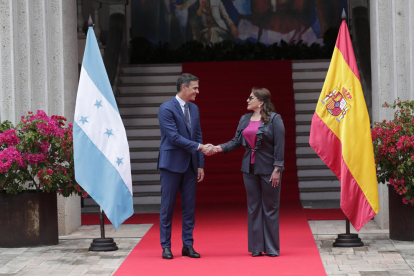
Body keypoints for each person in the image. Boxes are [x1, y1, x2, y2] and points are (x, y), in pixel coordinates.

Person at [209, 87, 285, 257]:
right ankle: (257, 247)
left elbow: (279, 146)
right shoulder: (244, 119)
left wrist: (277, 169)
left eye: (251, 97)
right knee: (253, 208)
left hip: (269, 170)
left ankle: (272, 248)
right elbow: (236, 141)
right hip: (249, 169)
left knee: (270, 208)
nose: (247, 100)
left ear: (261, 101)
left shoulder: (275, 119)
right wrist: (218, 148)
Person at [157, 73, 215, 259]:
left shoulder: (195, 109)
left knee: (189, 208)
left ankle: (187, 245)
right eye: (195, 88)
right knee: (167, 207)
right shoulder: (166, 108)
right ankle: (166, 246)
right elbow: (174, 137)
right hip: (171, 164)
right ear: (184, 87)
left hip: (190, 165)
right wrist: (199, 147)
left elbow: (198, 134)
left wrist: (200, 164)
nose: (198, 91)